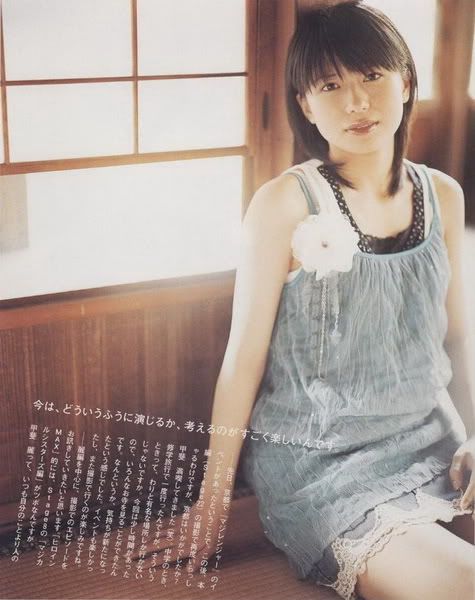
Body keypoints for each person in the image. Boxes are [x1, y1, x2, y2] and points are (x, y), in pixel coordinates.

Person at [139, 2, 475, 598]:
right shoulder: (284, 204)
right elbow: (243, 360)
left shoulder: (443, 195)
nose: (357, 102)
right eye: (330, 85)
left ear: (405, 82)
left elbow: (456, 337)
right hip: (325, 467)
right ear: (306, 104)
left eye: (371, 75)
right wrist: (213, 505)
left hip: (436, 439)